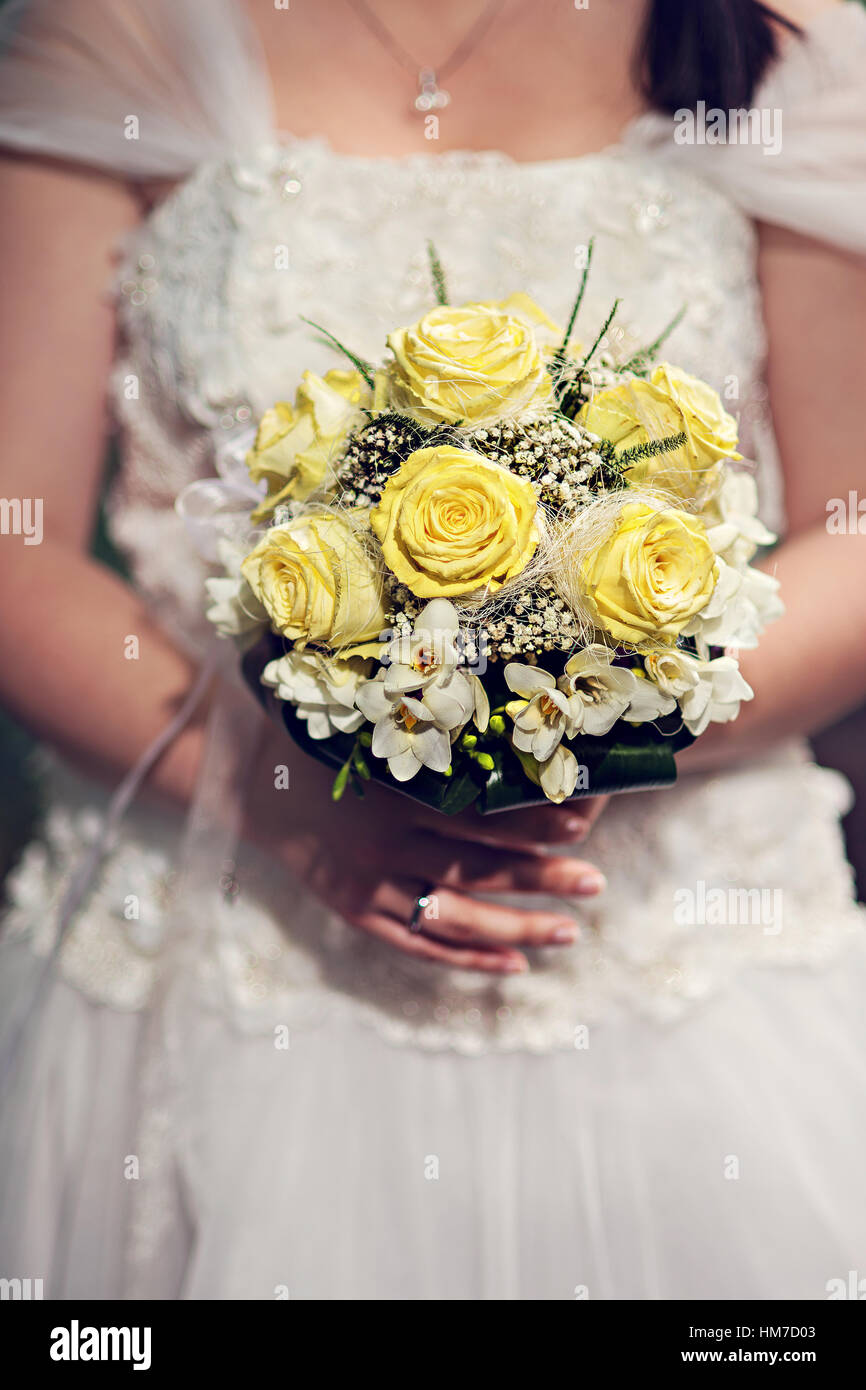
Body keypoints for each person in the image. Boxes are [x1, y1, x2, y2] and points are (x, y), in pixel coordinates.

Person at [0, 0, 864, 1299]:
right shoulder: (123, 27)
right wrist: (282, 791)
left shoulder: (786, 31)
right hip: (224, 922)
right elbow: (15, 536)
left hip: (675, 950)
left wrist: (575, 724)